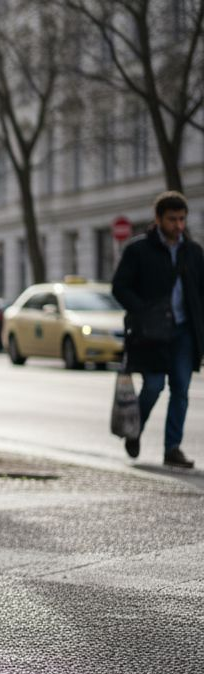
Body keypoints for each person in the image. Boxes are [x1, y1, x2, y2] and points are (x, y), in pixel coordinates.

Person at [111, 191, 204, 468]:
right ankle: (134, 429)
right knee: (153, 385)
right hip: (151, 333)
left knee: (181, 390)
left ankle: (172, 448)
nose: (178, 225)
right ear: (158, 219)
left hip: (184, 331)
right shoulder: (139, 250)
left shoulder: (193, 252)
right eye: (172, 219)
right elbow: (120, 287)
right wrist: (141, 311)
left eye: (182, 219)